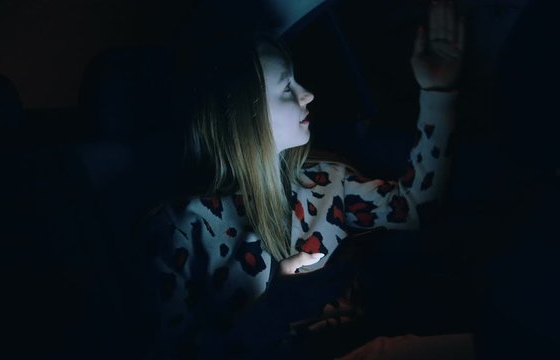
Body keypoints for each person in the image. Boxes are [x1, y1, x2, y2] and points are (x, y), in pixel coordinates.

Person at [141, 1, 464, 359]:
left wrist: (438, 95)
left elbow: (415, 207)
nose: (307, 94)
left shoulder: (324, 182)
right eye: (285, 88)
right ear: (243, 116)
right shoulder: (183, 228)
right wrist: (273, 313)